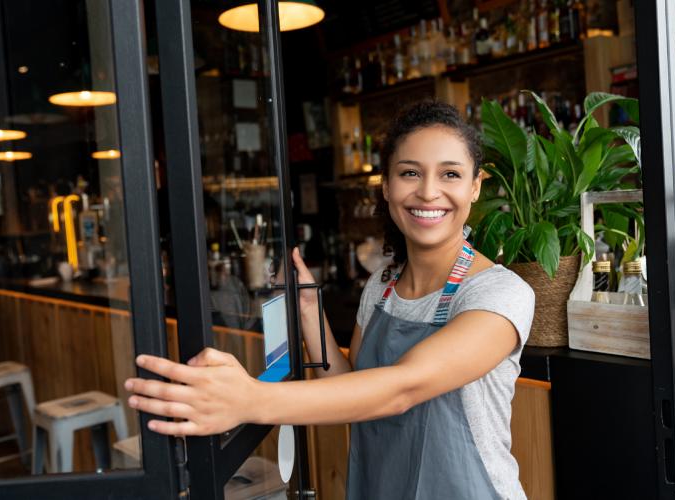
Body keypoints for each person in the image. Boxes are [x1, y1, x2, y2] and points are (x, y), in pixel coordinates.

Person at [124, 100, 535, 500]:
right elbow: (350, 390)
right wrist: (309, 312)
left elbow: (403, 388)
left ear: (475, 187)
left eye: (450, 174)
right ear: (387, 186)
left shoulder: (498, 293)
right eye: (410, 172)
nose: (429, 192)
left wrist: (249, 400)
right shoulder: (382, 286)